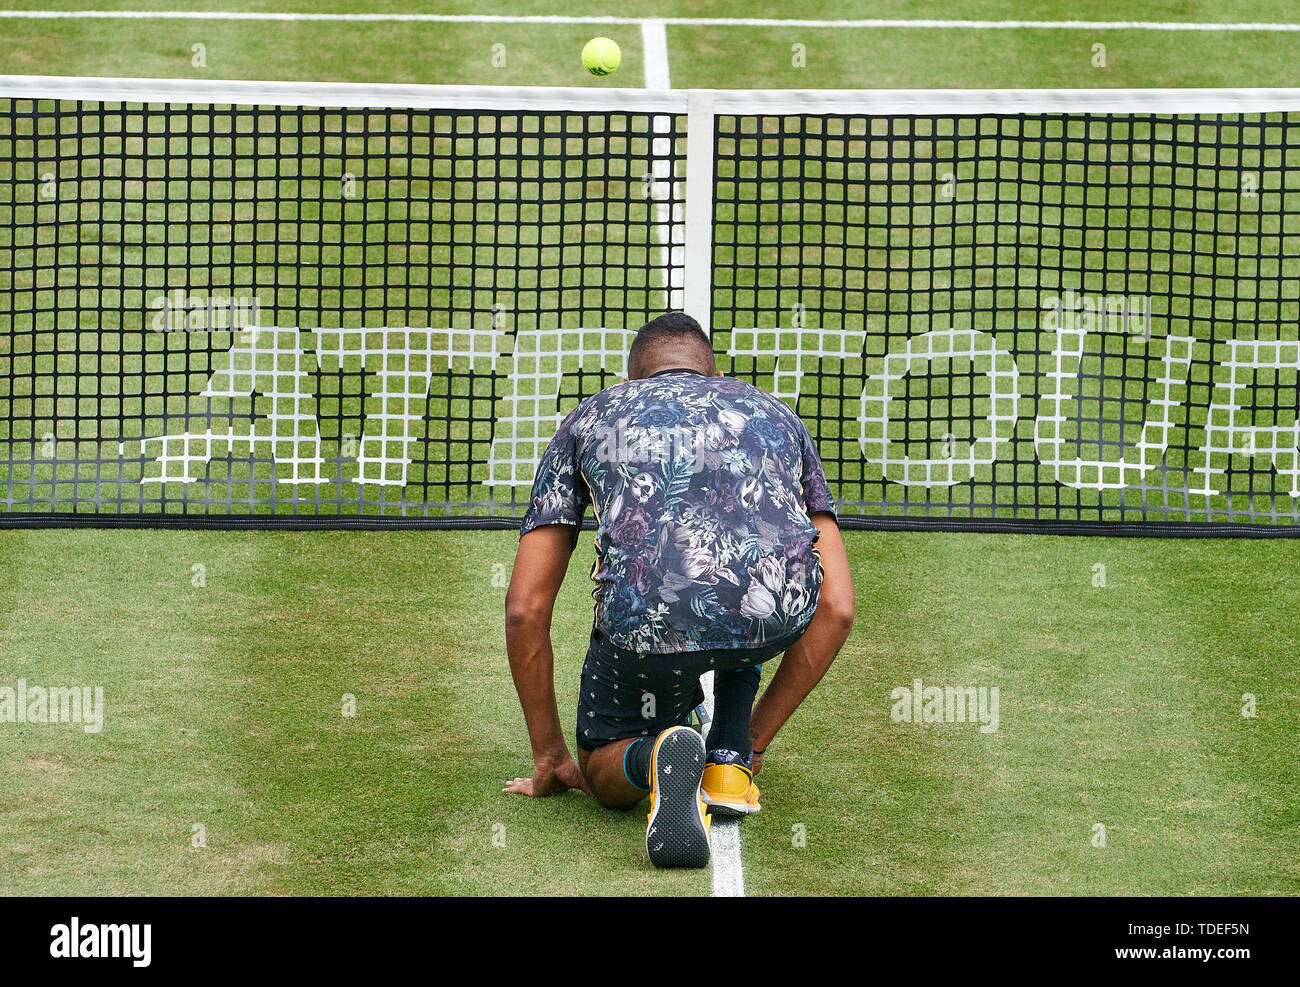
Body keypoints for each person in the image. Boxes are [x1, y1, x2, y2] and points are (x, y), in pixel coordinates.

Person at [502, 312, 854, 868]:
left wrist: (550, 756)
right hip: (770, 620)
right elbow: (837, 609)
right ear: (714, 374)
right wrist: (762, 738)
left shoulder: (591, 417)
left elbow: (525, 610)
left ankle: (653, 757)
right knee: (743, 595)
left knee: (598, 765)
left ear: (632, 379)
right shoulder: (778, 417)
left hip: (647, 634)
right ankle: (734, 757)